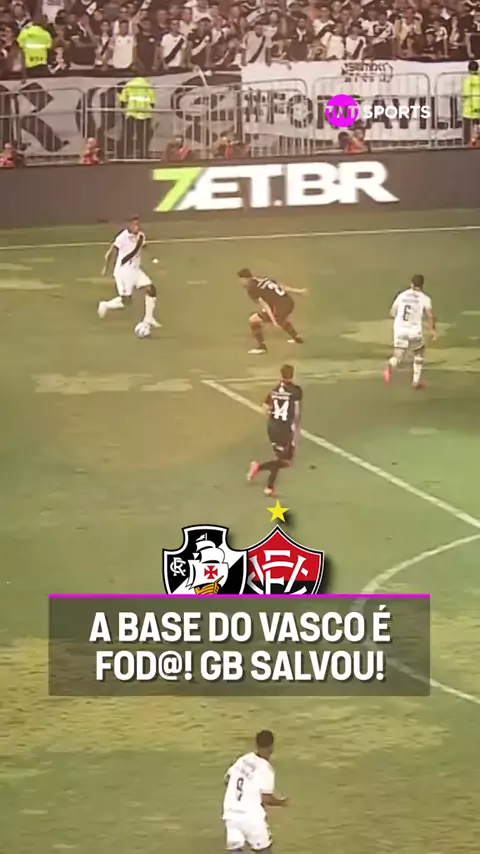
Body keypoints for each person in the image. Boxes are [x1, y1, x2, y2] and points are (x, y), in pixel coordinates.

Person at [223, 730, 288, 853]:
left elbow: (227, 779)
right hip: (251, 818)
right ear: (272, 747)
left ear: (256, 744)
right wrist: (282, 802)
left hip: (231, 815)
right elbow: (266, 798)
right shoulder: (266, 769)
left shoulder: (243, 759)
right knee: (264, 851)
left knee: (236, 851)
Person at [248, 364, 302, 497]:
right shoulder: (296, 391)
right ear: (292, 375)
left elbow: (264, 407)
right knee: (285, 462)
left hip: (272, 427)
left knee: (279, 458)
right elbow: (296, 412)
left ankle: (269, 486)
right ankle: (259, 469)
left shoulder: (274, 391)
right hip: (285, 429)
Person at [97, 215, 161, 329]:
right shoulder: (122, 237)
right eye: (133, 224)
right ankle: (105, 305)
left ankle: (149, 318)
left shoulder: (141, 236)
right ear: (129, 225)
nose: (136, 226)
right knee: (126, 301)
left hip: (135, 270)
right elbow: (111, 252)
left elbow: (144, 247)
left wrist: (154, 259)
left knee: (151, 289)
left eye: (137, 224)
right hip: (123, 271)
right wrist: (105, 267)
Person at [383, 274, 436, 390]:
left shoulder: (402, 295)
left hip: (400, 329)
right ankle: (415, 382)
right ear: (422, 285)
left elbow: (392, 312)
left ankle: (390, 366)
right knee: (419, 352)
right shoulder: (425, 298)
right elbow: (430, 316)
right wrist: (432, 330)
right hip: (414, 330)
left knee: (398, 356)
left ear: (411, 284)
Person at [237, 269, 306, 355]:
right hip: (289, 302)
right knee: (281, 319)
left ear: (245, 279)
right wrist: (299, 291)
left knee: (253, 320)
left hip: (279, 307)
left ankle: (262, 347)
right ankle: (297, 338)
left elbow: (264, 305)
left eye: (241, 280)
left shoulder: (252, 288)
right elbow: (282, 287)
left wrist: (273, 321)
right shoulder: (265, 280)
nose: (240, 282)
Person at [118, 74, 155, 159]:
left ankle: (122, 154)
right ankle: (143, 154)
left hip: (131, 113)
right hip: (145, 114)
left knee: (128, 135)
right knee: (144, 136)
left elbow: (123, 100)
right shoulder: (148, 85)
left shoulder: (129, 85)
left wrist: (125, 109)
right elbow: (152, 102)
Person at [462, 60, 480, 146]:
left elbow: (466, 93)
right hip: (478, 104)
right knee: (477, 125)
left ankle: (467, 142)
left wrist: (463, 99)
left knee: (467, 125)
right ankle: (476, 141)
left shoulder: (468, 79)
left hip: (469, 105)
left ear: (468, 69)